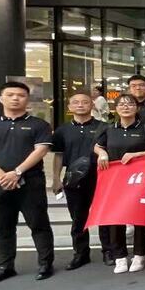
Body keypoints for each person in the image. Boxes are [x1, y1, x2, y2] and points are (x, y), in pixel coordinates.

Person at [0, 81, 55, 286]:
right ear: (1, 98)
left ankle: (45, 264)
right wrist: (2, 175)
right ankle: (5, 266)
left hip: (31, 183)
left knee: (39, 225)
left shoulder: (39, 125)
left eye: (21, 95)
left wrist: (17, 172)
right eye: (10, 95)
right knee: (3, 228)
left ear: (27, 100)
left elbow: (41, 150)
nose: (15, 98)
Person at [94, 93, 145, 273]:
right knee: (116, 217)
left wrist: (136, 155)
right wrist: (102, 153)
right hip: (115, 180)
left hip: (140, 180)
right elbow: (98, 146)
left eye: (130, 104)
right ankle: (120, 257)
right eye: (121, 104)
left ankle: (140, 255)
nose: (126, 107)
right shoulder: (109, 129)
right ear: (116, 109)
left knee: (140, 217)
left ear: (137, 108)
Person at [49, 91, 103, 271]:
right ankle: (81, 254)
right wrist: (56, 178)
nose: (80, 105)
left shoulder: (104, 127)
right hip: (73, 180)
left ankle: (109, 251)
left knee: (104, 217)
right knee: (78, 219)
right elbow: (58, 155)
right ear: (70, 107)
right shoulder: (62, 130)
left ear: (92, 105)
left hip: (100, 177)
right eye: (76, 102)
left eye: (85, 102)